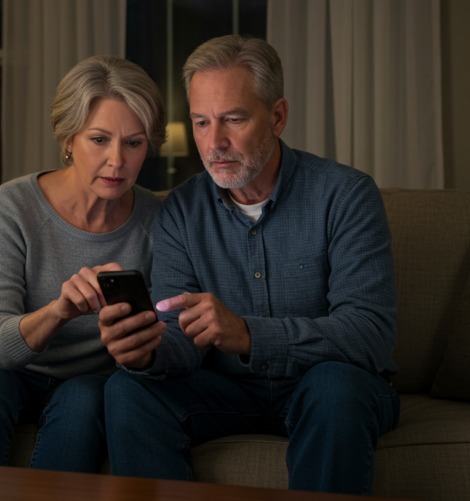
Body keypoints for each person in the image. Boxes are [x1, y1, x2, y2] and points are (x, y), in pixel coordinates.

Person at [97, 35, 399, 495]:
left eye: (233, 119)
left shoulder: (346, 195)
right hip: (228, 391)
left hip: (328, 385)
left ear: (277, 116)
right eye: (201, 122)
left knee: (336, 389)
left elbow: (370, 334)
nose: (214, 142)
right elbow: (179, 332)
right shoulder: (180, 209)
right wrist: (147, 352)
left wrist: (248, 334)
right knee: (127, 389)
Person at [0, 55, 165, 472]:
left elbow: (164, 339)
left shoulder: (159, 219)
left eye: (133, 142)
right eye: (99, 139)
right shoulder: (13, 206)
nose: (117, 160)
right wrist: (60, 311)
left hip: (86, 379)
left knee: (86, 399)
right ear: (67, 139)